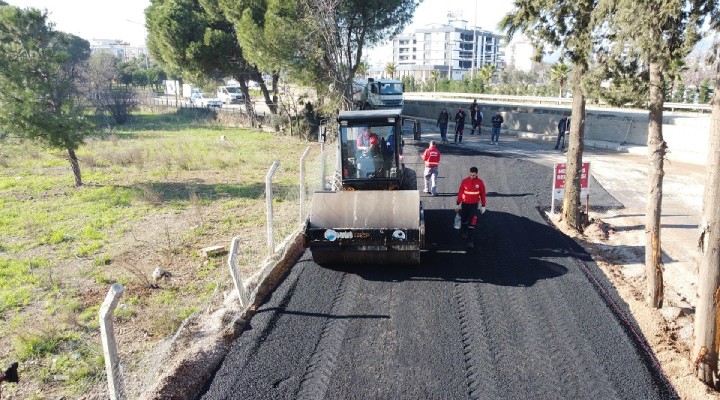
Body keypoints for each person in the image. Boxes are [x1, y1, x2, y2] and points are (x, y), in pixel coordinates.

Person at [455, 167, 486, 249]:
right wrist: (458, 203)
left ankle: (470, 242)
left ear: (476, 174)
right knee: (464, 220)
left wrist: (483, 205)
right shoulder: (465, 181)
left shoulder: (480, 182)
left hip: (474, 206)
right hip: (465, 205)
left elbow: (483, 194)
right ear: (469, 173)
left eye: (474, 175)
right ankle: (464, 232)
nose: (472, 176)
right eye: (471, 175)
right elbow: (461, 192)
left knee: (472, 223)